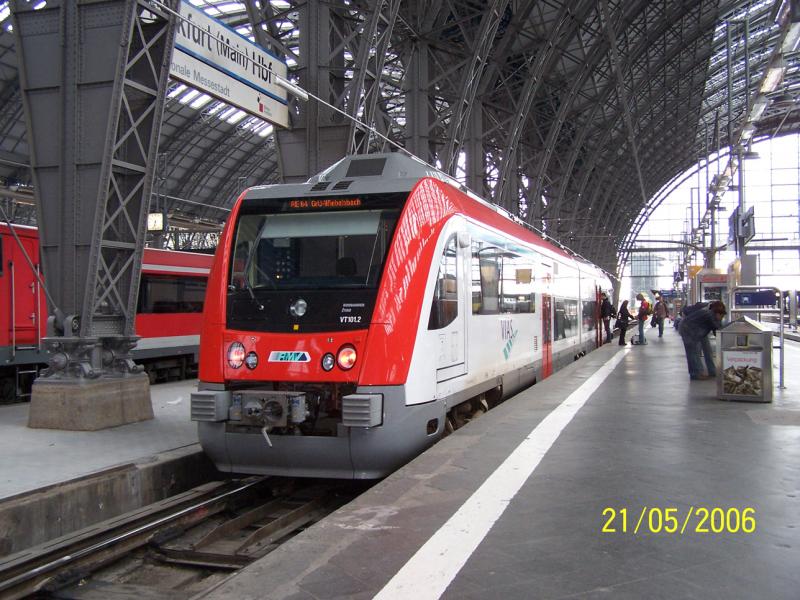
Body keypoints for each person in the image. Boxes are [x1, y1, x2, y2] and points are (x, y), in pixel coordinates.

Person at [677, 300, 727, 380]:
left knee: (704, 350)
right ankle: (696, 374)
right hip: (688, 330)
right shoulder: (709, 314)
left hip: (696, 330)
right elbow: (717, 327)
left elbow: (716, 330)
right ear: (718, 313)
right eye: (722, 316)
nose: (722, 318)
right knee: (693, 352)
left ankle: (711, 371)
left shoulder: (711, 313)